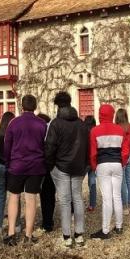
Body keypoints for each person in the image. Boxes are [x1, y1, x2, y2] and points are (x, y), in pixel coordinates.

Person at [3, 95, 47, 245]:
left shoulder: (13, 123)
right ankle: (28, 234)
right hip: (35, 166)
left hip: (17, 165)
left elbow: (7, 146)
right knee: (31, 199)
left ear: (22, 106)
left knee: (14, 197)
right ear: (35, 107)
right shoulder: (42, 124)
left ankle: (11, 234)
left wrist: (8, 163)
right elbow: (45, 146)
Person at [44, 91, 87, 248]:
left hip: (61, 167)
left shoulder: (55, 124)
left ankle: (67, 236)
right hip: (78, 166)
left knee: (65, 201)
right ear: (70, 103)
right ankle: (79, 235)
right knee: (77, 198)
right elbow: (87, 146)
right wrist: (85, 165)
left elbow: (49, 147)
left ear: (57, 105)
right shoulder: (81, 124)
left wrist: (50, 166)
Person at [89, 104, 129, 240]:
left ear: (100, 114)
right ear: (112, 114)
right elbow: (125, 151)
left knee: (107, 198)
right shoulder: (120, 129)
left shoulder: (94, 131)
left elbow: (93, 153)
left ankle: (105, 231)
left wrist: (95, 167)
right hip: (117, 164)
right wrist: (121, 163)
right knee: (117, 196)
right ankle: (119, 226)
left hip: (103, 164)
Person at [0, 111, 18, 235]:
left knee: (0, 196)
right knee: (14, 195)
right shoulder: (13, 133)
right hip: (12, 166)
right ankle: (17, 225)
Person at [115, 108, 130, 215]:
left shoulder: (116, 128)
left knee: (123, 182)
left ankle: (125, 207)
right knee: (129, 180)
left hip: (121, 156)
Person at [36, 112, 55, 232]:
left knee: (44, 195)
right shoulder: (52, 132)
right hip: (52, 166)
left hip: (40, 166)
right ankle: (49, 221)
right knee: (50, 194)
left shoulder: (37, 133)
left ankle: (46, 221)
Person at [82, 116, 98, 212]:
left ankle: (77, 203)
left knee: (78, 182)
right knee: (92, 182)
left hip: (84, 161)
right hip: (94, 160)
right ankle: (92, 204)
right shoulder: (96, 131)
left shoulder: (83, 132)